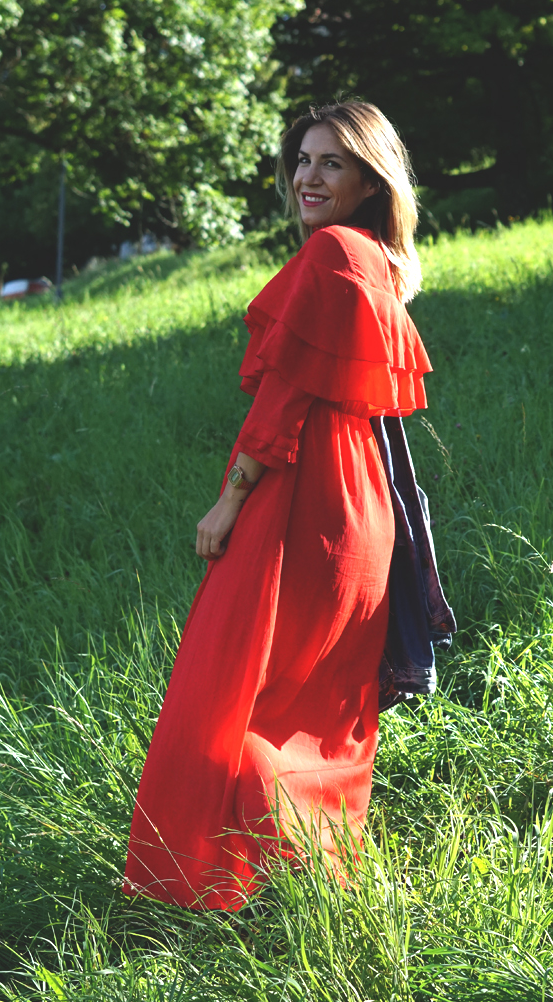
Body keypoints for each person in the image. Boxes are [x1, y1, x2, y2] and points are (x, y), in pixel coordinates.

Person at [123, 101, 432, 911]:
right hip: (362, 509)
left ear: (370, 180)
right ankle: (314, 886)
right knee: (318, 709)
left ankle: (203, 882)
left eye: (332, 162)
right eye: (302, 160)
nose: (307, 177)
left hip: (305, 499)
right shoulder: (378, 259)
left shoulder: (332, 251)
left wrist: (229, 500)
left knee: (229, 693)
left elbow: (288, 394)